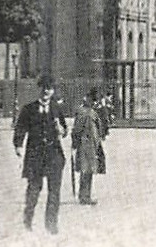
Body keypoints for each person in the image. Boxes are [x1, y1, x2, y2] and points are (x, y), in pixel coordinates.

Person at [13, 76, 67, 234]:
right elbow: (20, 129)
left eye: (49, 88)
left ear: (52, 91)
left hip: (53, 155)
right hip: (35, 155)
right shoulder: (29, 109)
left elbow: (64, 130)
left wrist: (61, 130)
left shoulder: (56, 109)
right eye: (43, 88)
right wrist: (18, 144)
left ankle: (51, 224)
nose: (46, 91)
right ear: (39, 89)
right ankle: (27, 220)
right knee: (34, 189)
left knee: (54, 191)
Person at [71, 89, 103, 206]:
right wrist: (75, 142)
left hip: (91, 145)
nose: (95, 102)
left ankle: (86, 196)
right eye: (93, 100)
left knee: (89, 171)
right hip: (85, 145)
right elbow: (77, 129)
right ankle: (84, 197)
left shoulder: (90, 111)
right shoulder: (84, 112)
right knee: (86, 170)